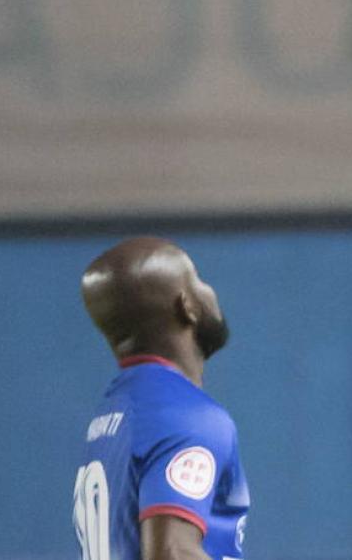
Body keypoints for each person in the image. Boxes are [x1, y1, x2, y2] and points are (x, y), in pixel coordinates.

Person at [73, 237, 249, 560]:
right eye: (198, 279)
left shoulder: (114, 415)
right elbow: (171, 553)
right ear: (187, 306)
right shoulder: (188, 417)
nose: (210, 290)